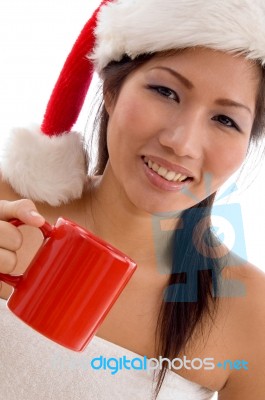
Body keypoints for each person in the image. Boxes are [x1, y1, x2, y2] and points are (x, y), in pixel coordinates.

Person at [0, 0, 265, 398]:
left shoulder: (251, 315)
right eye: (165, 91)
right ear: (111, 90)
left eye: (225, 120)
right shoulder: (8, 208)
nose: (182, 143)